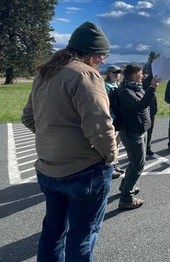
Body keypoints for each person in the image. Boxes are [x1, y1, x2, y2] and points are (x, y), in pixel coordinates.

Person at [21, 21, 117, 261]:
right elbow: (99, 126)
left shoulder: (45, 73)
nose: (103, 60)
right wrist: (110, 157)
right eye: (102, 55)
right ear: (90, 53)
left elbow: (28, 118)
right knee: (82, 236)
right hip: (84, 171)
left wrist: (53, 140)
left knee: (53, 232)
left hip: (47, 168)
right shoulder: (86, 74)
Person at [117, 63, 159, 210]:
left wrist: (151, 86)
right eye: (141, 73)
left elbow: (145, 100)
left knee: (135, 162)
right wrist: (152, 88)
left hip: (140, 130)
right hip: (131, 132)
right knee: (138, 164)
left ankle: (125, 186)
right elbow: (139, 105)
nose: (143, 75)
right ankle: (126, 199)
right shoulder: (125, 91)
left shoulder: (136, 87)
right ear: (134, 75)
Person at [105, 64, 125, 179]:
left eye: (119, 72)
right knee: (110, 144)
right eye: (114, 72)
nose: (117, 74)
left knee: (117, 143)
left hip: (118, 118)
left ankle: (115, 164)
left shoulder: (118, 84)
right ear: (109, 73)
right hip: (110, 118)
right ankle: (109, 167)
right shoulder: (105, 86)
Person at [142, 73, 158, 156]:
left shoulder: (149, 84)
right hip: (144, 112)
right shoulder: (144, 84)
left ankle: (148, 147)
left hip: (151, 111)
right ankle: (143, 149)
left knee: (150, 131)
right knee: (144, 132)